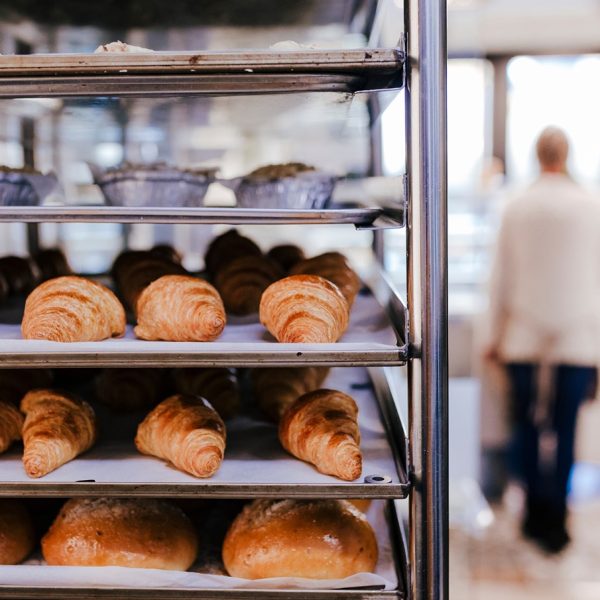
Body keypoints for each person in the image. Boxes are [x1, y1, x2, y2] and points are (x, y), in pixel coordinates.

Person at [484, 126, 600, 553]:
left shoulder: (517, 206)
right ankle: (559, 521)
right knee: (566, 429)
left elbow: (501, 280)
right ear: (566, 156)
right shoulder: (592, 206)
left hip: (523, 338)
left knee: (527, 428)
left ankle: (533, 516)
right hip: (577, 341)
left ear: (536, 156)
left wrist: (491, 336)